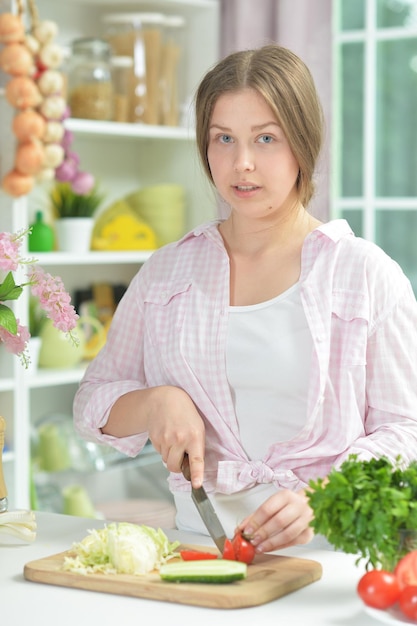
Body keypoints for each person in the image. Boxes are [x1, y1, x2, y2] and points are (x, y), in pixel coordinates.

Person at [73, 44, 417, 554]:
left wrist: (326, 496)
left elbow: (405, 432)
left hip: (329, 557)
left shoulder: (364, 274)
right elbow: (91, 404)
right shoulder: (167, 273)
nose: (243, 163)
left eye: (266, 138)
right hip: (198, 553)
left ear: (304, 144)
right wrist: (155, 402)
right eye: (224, 139)